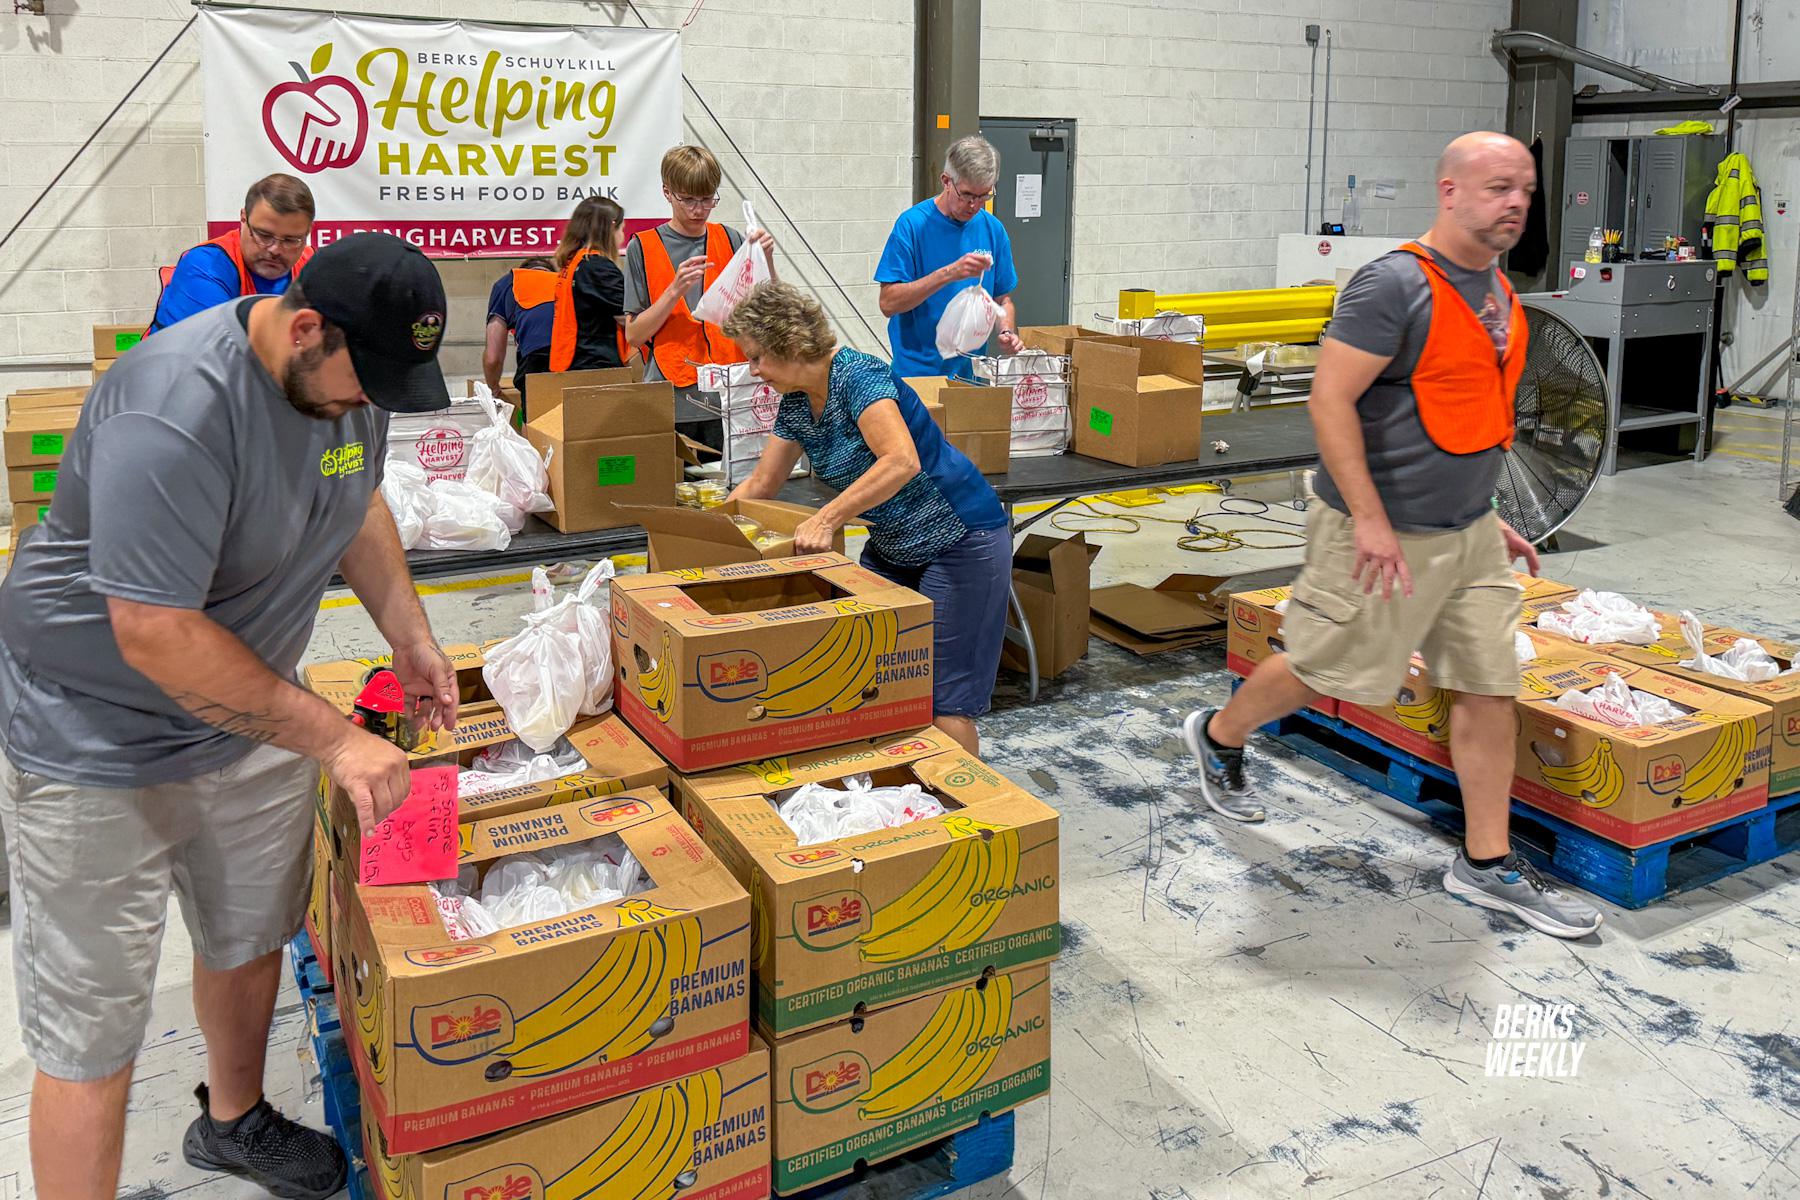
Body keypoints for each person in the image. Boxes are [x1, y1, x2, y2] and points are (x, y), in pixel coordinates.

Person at [0, 232, 464, 1200]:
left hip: (250, 710)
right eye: (356, 383)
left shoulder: (346, 387)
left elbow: (358, 498)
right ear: (303, 328)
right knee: (94, 1028)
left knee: (250, 932)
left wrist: (410, 634)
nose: (361, 406)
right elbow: (156, 634)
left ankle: (233, 1119)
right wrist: (336, 738)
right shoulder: (172, 408)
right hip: (96, 735)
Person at [1180, 132, 1604, 941]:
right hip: (1376, 532)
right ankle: (1221, 733)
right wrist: (1370, 520)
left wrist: (1491, 520)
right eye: (1496, 187)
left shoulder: (1501, 295)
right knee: (1323, 667)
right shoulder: (1393, 286)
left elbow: (1471, 420)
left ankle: (1485, 863)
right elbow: (1330, 401)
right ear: (1449, 192)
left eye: (1524, 188)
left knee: (1489, 687)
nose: (1515, 201)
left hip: (1469, 534)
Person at [723, 282, 1011, 756]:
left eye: (756, 357)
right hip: (894, 543)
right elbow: (760, 485)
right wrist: (705, 534)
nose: (753, 371)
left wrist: (828, 518)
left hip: (960, 539)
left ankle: (965, 811)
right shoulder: (797, 404)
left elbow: (901, 461)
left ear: (790, 345)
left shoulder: (858, 375)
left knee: (942, 697)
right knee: (869, 671)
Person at [624, 144, 777, 450]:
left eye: (708, 199)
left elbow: (769, 310)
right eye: (688, 200)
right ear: (667, 193)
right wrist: (674, 291)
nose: (698, 210)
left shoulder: (732, 239)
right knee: (674, 492)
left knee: (728, 493)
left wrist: (767, 260)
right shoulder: (642, 246)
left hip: (730, 399)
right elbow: (634, 336)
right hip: (672, 401)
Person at [876, 136, 1025, 381]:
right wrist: (949, 273)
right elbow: (888, 303)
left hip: (971, 375)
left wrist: (1007, 330)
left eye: (984, 196)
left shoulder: (993, 229)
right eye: (967, 195)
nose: (975, 205)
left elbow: (1003, 298)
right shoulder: (912, 225)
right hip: (918, 376)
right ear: (946, 181)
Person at [147, 174, 315, 334]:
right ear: (243, 218)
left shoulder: (311, 265)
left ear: (307, 232)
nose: (275, 249)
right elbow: (221, 351)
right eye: (264, 235)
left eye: (291, 240)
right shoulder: (206, 265)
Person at [549, 196, 630, 375]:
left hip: (575, 363)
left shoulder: (573, 263)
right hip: (596, 367)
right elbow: (629, 318)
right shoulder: (597, 268)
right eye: (622, 229)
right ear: (610, 228)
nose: (623, 237)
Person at [483, 255, 557, 397]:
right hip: (575, 359)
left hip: (537, 362)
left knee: (539, 416)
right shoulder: (565, 281)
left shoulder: (507, 284)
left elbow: (493, 357)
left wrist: (493, 389)